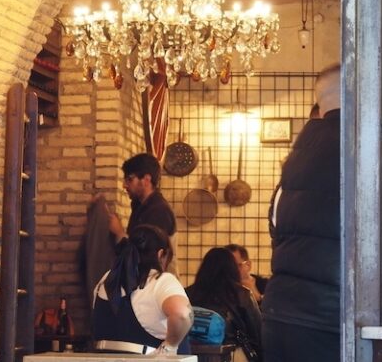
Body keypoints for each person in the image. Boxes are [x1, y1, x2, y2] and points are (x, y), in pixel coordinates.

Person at [261, 64, 341, 362]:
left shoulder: (296, 159)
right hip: (327, 316)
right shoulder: (358, 145)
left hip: (280, 312)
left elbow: (274, 224)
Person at [92, 224, 193, 355]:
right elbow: (182, 314)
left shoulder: (106, 279)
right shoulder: (160, 281)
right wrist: (170, 346)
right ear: (160, 254)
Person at [186, 247, 262, 360]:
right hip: (229, 354)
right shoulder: (241, 294)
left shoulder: (187, 293)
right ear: (232, 269)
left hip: (190, 354)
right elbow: (257, 332)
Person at [108, 153, 178, 272]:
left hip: (158, 286)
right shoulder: (140, 206)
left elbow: (145, 257)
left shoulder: (159, 211)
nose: (124, 185)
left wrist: (119, 233)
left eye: (130, 179)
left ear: (146, 180)